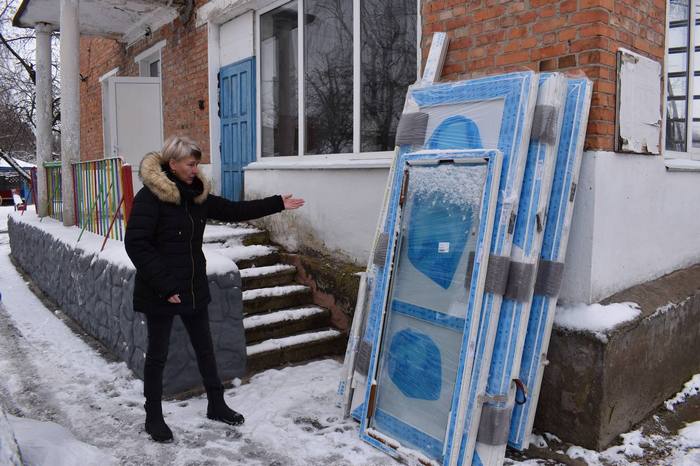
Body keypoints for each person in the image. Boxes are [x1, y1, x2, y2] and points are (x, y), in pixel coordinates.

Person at [124, 136, 304, 443]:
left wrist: (276, 203)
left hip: (192, 286)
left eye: (197, 163)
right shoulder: (150, 197)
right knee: (158, 355)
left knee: (206, 348)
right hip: (160, 290)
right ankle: (153, 416)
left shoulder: (197, 196)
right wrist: (165, 285)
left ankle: (216, 404)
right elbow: (136, 244)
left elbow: (233, 210)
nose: (196, 169)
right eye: (191, 164)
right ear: (173, 164)